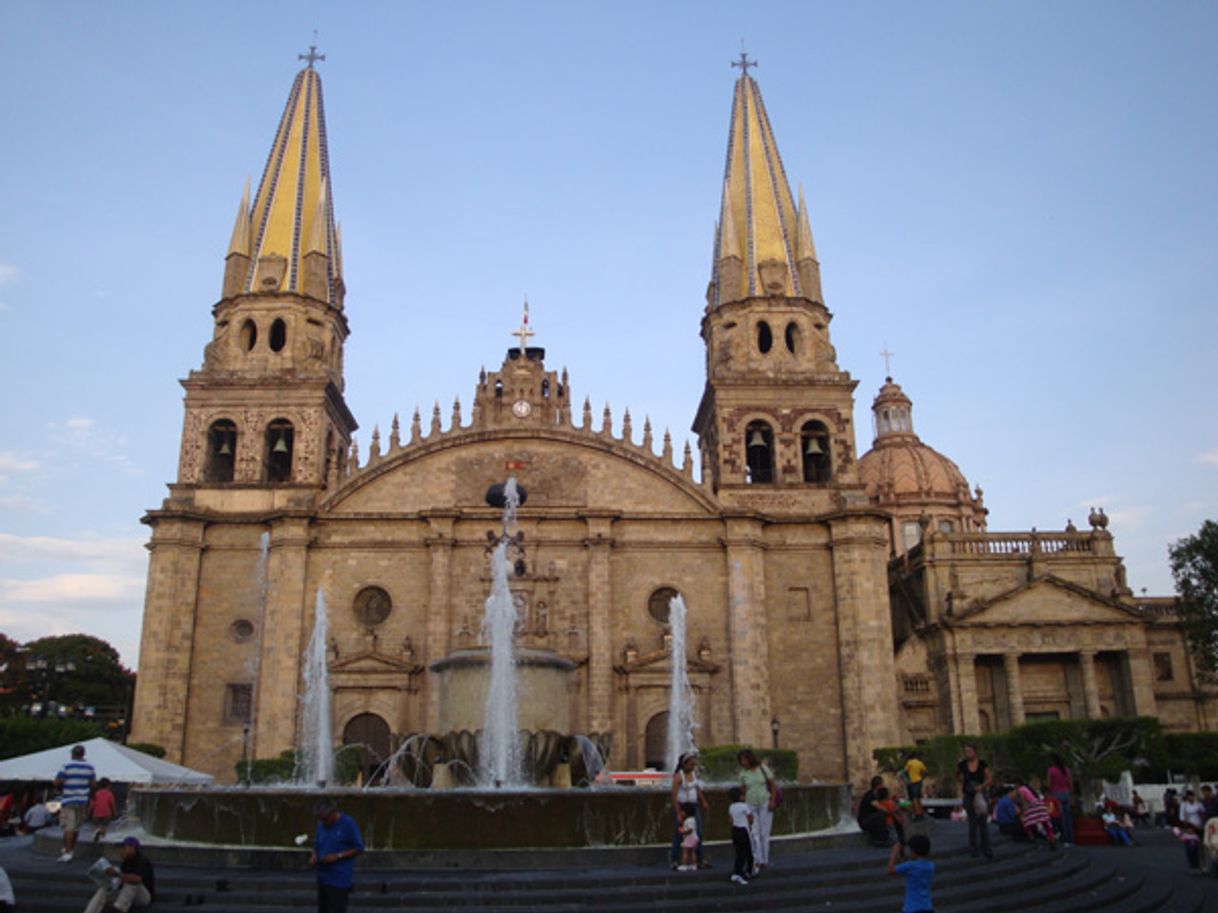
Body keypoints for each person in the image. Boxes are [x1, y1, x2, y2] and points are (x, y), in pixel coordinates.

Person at [310, 796, 364, 913]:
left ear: (334, 813)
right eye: (320, 819)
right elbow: (317, 842)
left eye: (325, 819)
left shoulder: (348, 824)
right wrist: (314, 855)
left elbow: (359, 847)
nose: (323, 822)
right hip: (323, 876)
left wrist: (337, 856)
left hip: (339, 878)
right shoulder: (321, 824)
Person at [83, 836, 154, 913]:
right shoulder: (126, 863)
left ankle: (119, 909)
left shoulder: (142, 861)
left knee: (132, 883)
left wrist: (116, 873)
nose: (121, 851)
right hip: (127, 895)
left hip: (143, 896)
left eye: (124, 848)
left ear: (132, 848)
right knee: (103, 890)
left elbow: (137, 879)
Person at [737, 749, 777, 874]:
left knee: (764, 833)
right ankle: (758, 859)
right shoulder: (743, 773)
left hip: (765, 802)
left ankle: (765, 859)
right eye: (741, 760)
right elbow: (742, 790)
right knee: (754, 833)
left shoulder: (762, 768)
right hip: (751, 805)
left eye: (744, 759)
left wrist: (773, 801)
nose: (743, 762)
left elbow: (772, 784)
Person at [54, 743, 96, 862]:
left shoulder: (66, 766)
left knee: (68, 828)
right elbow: (93, 784)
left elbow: (57, 782)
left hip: (69, 799)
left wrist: (62, 784)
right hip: (82, 801)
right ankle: (71, 849)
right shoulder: (90, 767)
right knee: (77, 828)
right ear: (83, 754)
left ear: (72, 754)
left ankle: (67, 853)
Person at [669, 752, 710, 870]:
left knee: (698, 832)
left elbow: (697, 788)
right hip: (682, 807)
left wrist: (703, 801)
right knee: (679, 833)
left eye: (694, 764)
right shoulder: (678, 776)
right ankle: (674, 860)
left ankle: (699, 859)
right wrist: (678, 813)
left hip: (694, 806)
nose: (693, 766)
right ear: (684, 764)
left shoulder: (693, 774)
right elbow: (674, 795)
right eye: (691, 764)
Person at [956, 743, 993, 858]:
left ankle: (986, 848)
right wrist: (961, 780)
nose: (967, 754)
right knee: (972, 822)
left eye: (969, 751)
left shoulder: (982, 764)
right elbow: (957, 775)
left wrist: (982, 786)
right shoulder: (962, 765)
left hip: (981, 794)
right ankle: (974, 849)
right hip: (968, 794)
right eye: (966, 751)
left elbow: (989, 778)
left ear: (975, 751)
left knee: (983, 822)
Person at [887, 833, 934, 913]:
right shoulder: (930, 866)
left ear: (914, 851)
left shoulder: (910, 866)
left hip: (911, 908)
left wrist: (894, 853)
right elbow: (914, 862)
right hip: (927, 907)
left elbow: (890, 870)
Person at [1016, 777, 1057, 849]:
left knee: (1026, 822)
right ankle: (1052, 840)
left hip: (1032, 806)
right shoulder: (1028, 787)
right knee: (1046, 823)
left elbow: (1024, 802)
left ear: (1017, 784)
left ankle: (1031, 837)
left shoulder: (1020, 789)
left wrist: (1023, 813)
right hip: (1039, 804)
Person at [727, 786, 753, 886]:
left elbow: (730, 820)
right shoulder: (744, 806)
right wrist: (750, 823)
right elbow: (750, 818)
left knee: (739, 852)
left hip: (735, 830)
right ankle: (746, 872)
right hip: (743, 830)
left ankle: (737, 871)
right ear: (740, 797)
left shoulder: (731, 807)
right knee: (747, 852)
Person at [1177, 789, 1206, 872]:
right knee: (1191, 848)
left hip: (1199, 827)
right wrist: (1188, 826)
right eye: (1189, 797)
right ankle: (1193, 866)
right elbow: (1181, 818)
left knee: (1200, 848)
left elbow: (1203, 814)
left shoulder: (1199, 804)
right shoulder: (1184, 805)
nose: (1191, 798)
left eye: (1192, 796)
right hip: (1190, 828)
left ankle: (1202, 865)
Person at [858, 775, 890, 847]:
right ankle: (880, 840)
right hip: (865, 822)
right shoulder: (870, 795)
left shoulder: (876, 795)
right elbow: (879, 807)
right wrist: (890, 811)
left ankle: (883, 837)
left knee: (881, 815)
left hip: (870, 820)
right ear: (879, 786)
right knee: (881, 814)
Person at [90, 778, 118, 842]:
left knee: (95, 825)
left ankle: (95, 833)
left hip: (96, 813)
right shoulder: (110, 794)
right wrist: (115, 813)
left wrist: (89, 811)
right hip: (106, 813)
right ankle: (102, 838)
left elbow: (92, 804)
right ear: (108, 785)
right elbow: (112, 804)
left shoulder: (96, 793)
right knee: (104, 826)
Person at [903, 754, 928, 820]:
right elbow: (925, 771)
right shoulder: (920, 763)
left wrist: (906, 780)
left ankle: (917, 813)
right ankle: (921, 812)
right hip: (919, 781)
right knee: (918, 797)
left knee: (913, 798)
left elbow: (905, 771)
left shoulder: (909, 762)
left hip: (912, 782)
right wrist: (922, 778)